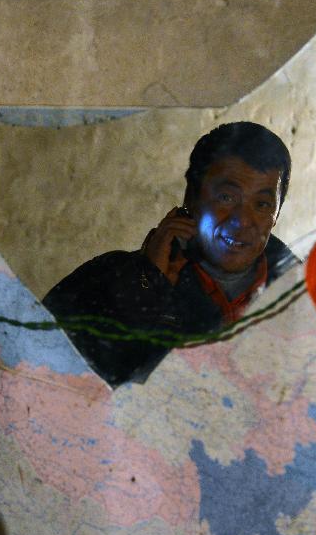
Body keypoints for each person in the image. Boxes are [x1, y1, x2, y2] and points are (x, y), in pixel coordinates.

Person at [43, 121, 298, 386]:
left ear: (276, 213)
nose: (242, 220)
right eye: (226, 197)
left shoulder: (304, 298)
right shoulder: (107, 279)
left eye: (262, 204)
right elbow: (38, 378)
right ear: (192, 197)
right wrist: (147, 285)